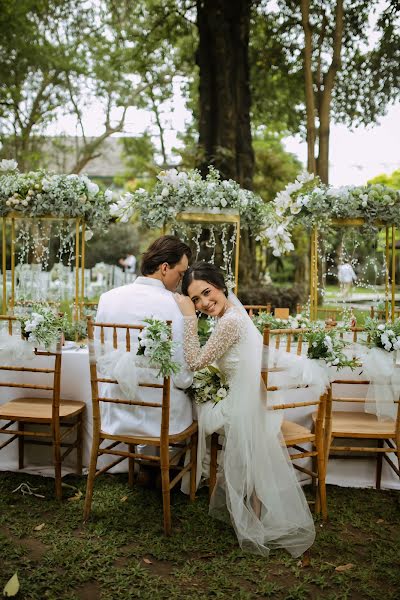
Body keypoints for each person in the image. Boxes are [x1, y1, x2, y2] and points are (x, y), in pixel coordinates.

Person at [174, 262, 316, 557]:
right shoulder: (233, 314)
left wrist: (188, 318)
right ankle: (242, 500)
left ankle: (246, 509)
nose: (203, 303)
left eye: (207, 293)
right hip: (245, 396)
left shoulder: (230, 321)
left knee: (190, 409)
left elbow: (195, 361)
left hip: (242, 405)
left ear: (221, 287)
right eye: (196, 300)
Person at [95, 235, 194, 438]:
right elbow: (183, 378)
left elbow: (100, 361)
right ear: (164, 268)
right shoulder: (176, 304)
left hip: (115, 413)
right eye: (181, 273)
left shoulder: (107, 299)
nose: (181, 280)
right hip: (162, 419)